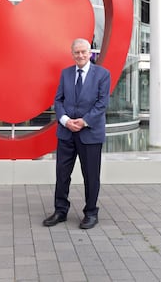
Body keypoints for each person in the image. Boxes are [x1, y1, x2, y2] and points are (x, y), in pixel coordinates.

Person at [43, 38, 110, 229]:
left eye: (83, 52)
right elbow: (58, 100)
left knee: (91, 175)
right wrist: (65, 120)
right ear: (72, 54)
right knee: (62, 174)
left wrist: (84, 121)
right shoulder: (66, 74)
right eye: (76, 52)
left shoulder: (102, 75)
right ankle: (60, 211)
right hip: (66, 133)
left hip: (90, 133)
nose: (80, 55)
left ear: (90, 53)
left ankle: (90, 213)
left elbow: (102, 104)